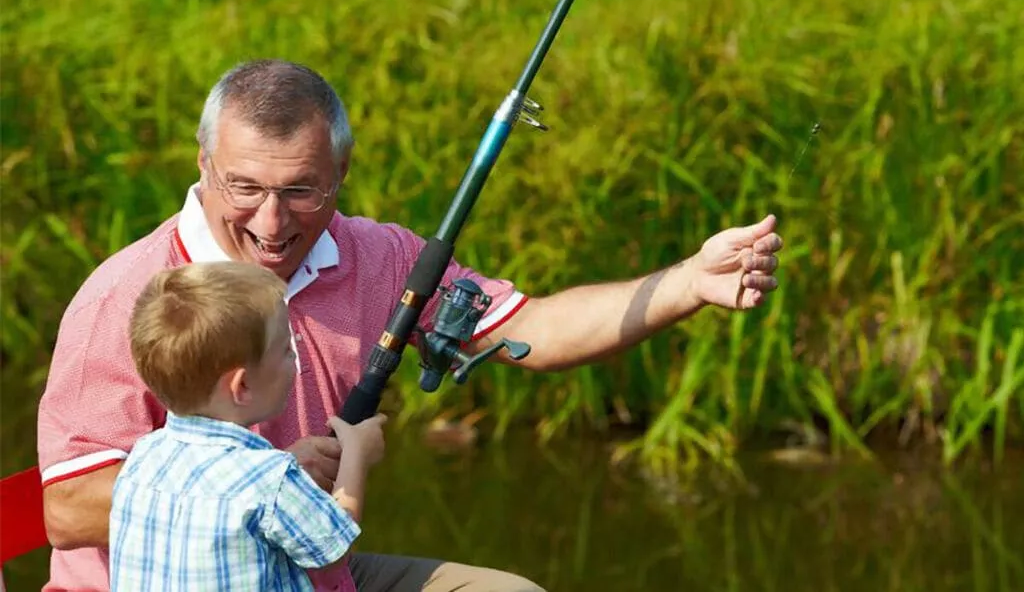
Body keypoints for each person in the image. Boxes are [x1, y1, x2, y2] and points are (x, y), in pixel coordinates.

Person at [37, 59, 784, 592]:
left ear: (342, 171)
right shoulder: (129, 296)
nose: (270, 222)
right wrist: (275, 483)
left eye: (301, 189)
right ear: (203, 166)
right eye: (245, 187)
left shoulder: (379, 256)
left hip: (315, 573)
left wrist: (689, 281)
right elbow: (66, 510)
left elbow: (536, 329)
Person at [110, 261, 387, 591]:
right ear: (242, 386)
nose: (294, 361)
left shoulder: (143, 457)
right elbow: (333, 555)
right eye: (286, 350)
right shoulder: (272, 479)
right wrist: (357, 454)